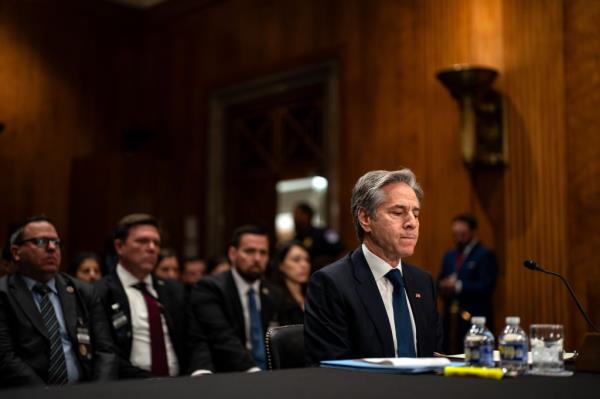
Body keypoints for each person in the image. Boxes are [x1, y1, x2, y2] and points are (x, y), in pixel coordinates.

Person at [305, 169, 443, 365]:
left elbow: (434, 356)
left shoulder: (423, 282)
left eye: (416, 213)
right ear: (366, 219)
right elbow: (332, 371)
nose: (412, 223)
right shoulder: (331, 284)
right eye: (398, 212)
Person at [0, 216, 117, 387]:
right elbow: (5, 357)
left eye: (56, 242)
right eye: (41, 241)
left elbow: (105, 351)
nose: (52, 248)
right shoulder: (3, 294)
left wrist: (98, 392)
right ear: (16, 252)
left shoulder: (83, 291)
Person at [95, 214, 212, 378]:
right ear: (119, 246)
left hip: (181, 385)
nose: (152, 248)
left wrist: (200, 371)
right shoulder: (99, 293)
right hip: (130, 387)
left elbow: (195, 339)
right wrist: (152, 383)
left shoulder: (175, 290)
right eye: (142, 241)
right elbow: (107, 355)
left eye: (156, 243)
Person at [187, 225, 283, 373]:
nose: (257, 258)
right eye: (250, 251)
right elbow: (221, 338)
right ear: (232, 254)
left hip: (271, 376)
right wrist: (255, 372)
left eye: (263, 253)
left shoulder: (274, 293)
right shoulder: (211, 288)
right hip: (230, 375)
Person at [437, 214, 498, 354]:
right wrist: (443, 285)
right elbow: (439, 280)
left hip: (475, 317)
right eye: (455, 235)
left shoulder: (484, 254)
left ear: (472, 232)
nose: (458, 238)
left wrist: (459, 286)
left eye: (462, 234)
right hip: (451, 318)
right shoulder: (449, 255)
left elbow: (487, 286)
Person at [293, 202, 344, 271]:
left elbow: (342, 252)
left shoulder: (326, 232)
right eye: (295, 215)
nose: (296, 218)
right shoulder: (296, 240)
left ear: (308, 215)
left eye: (299, 214)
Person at [272, 240, 311, 325]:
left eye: (307, 260)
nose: (304, 265)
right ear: (281, 265)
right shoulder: (274, 299)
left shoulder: (314, 296)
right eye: (296, 260)